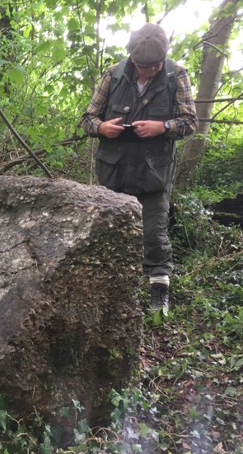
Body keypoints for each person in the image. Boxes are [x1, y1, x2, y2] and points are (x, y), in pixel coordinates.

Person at [79, 23, 198, 313]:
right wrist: (101, 127)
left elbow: (190, 123)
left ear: (162, 60)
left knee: (153, 235)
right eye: (142, 65)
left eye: (154, 66)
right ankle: (105, 288)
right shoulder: (114, 74)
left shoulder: (176, 75)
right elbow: (86, 120)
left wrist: (163, 126)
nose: (148, 71)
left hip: (153, 172)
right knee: (105, 230)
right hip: (113, 171)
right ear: (132, 58)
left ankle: (159, 295)